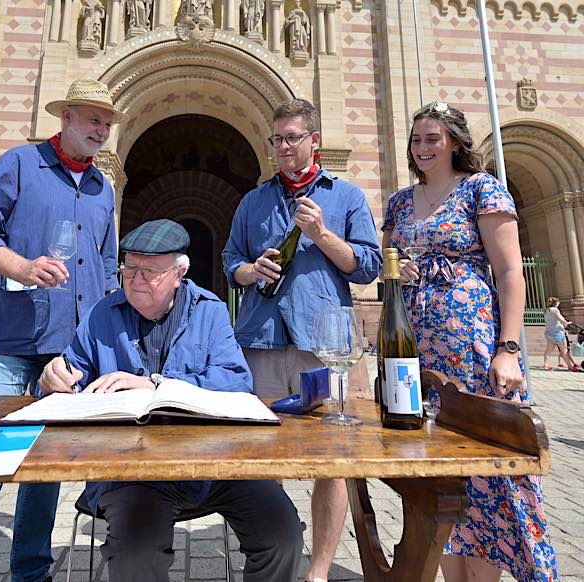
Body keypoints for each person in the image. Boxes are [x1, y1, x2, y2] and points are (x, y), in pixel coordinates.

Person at [0, 78, 128, 582]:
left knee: (45, 466)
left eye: (107, 122)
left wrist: (106, 325)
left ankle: (31, 571)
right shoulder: (19, 164)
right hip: (9, 339)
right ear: (65, 117)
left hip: (68, 344)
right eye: (93, 119)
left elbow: (106, 263)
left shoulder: (102, 187)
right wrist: (17, 267)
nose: (102, 129)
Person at [39, 219, 304, 582]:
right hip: (129, 474)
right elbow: (71, 373)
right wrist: (52, 378)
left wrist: (156, 385)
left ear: (179, 273)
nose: (135, 279)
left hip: (214, 466)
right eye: (129, 268)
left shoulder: (209, 310)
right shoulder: (102, 314)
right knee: (135, 554)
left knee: (283, 534)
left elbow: (236, 380)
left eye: (149, 271)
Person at [382, 100, 557, 581]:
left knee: (486, 470)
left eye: (432, 138)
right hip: (416, 356)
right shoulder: (400, 202)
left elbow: (509, 272)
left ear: (456, 142)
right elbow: (388, 266)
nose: (422, 148)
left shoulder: (482, 189)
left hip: (475, 351)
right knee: (441, 477)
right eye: (417, 139)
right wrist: (396, 271)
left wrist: (509, 349)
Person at [222, 98, 382, 582]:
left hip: (325, 345)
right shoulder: (253, 201)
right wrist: (251, 270)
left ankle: (317, 571)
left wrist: (323, 234)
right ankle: (271, 561)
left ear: (314, 140)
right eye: (277, 139)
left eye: (293, 138)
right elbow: (231, 261)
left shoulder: (346, 195)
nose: (283, 148)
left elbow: (369, 266)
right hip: (263, 341)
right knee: (259, 453)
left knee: (332, 459)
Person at [543, 296, 581, 371]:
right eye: (558, 302)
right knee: (564, 350)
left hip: (549, 333)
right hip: (558, 333)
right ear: (556, 303)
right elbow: (561, 319)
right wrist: (566, 323)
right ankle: (570, 367)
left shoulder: (547, 310)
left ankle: (545, 364)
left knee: (549, 350)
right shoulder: (555, 310)